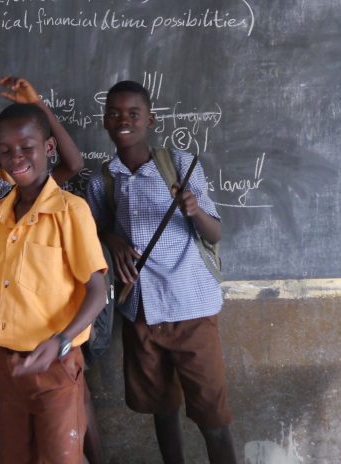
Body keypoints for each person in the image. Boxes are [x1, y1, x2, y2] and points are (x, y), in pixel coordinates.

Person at [86, 80, 237, 464]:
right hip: (141, 310)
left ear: (150, 120)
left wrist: (195, 211)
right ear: (104, 120)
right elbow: (91, 234)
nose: (123, 121)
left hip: (190, 309)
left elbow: (215, 233)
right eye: (114, 113)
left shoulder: (181, 165)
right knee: (162, 407)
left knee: (212, 414)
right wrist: (111, 239)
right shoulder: (103, 180)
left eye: (133, 114)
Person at [0, 103, 107, 464]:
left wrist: (61, 342)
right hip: (7, 365)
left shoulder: (70, 211)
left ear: (49, 148)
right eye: (6, 150)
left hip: (56, 363)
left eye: (26, 147)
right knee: (15, 457)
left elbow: (97, 292)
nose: (16, 157)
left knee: (62, 457)